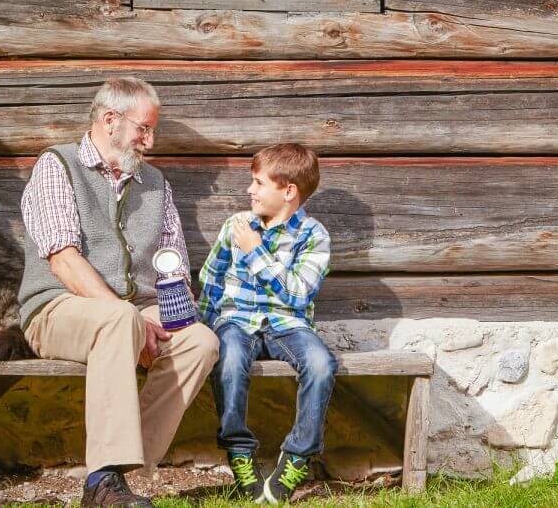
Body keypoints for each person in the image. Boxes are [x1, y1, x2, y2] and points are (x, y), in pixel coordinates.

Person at [18, 77, 219, 507]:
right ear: (110, 120)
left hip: (134, 312)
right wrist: (127, 317)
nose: (150, 140)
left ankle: (110, 474)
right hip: (57, 309)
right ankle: (103, 486)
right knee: (118, 319)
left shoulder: (155, 182)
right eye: (143, 129)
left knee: (200, 341)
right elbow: (63, 261)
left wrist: (172, 315)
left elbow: (175, 262)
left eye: (152, 130)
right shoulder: (58, 165)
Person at [198, 143, 337, 504]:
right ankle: (239, 452)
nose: (250, 190)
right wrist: (202, 325)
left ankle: (297, 457)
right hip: (237, 321)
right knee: (228, 360)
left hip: (288, 324)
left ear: (288, 191)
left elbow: (298, 295)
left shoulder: (313, 235)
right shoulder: (236, 225)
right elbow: (210, 281)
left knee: (321, 364)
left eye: (259, 183)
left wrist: (256, 252)